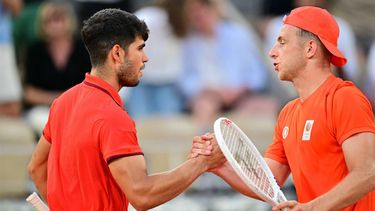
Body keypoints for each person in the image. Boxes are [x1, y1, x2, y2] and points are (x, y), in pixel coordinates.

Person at [27, 8, 225, 210]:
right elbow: (142, 194)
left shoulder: (63, 102)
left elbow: (37, 168)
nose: (145, 58)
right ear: (118, 53)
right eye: (140, 49)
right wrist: (201, 164)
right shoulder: (113, 117)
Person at [192, 6, 375, 211]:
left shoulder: (344, 98)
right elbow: (267, 181)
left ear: (310, 48)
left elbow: (368, 173)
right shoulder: (288, 113)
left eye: (282, 42)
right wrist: (217, 165)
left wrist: (312, 208)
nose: (272, 52)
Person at [179, 0, 270, 131]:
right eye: (194, 15)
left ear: (213, 10)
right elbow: (185, 79)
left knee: (266, 107)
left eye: (201, 13)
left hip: (239, 95)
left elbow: (257, 73)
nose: (199, 18)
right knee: (204, 106)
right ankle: (205, 145)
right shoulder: (189, 41)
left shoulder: (238, 34)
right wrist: (207, 89)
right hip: (206, 96)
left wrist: (239, 89)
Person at [23, 1, 91, 135]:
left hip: (77, 107)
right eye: (50, 20)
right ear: (42, 24)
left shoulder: (83, 49)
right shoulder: (34, 51)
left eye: (59, 18)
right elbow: (29, 93)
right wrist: (59, 99)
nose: (55, 24)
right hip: (43, 109)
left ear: (70, 20)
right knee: (47, 122)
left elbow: (91, 84)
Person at [123, 0, 188, 118]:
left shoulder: (182, 24)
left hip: (167, 84)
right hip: (142, 83)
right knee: (142, 127)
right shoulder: (148, 18)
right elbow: (128, 51)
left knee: (168, 128)